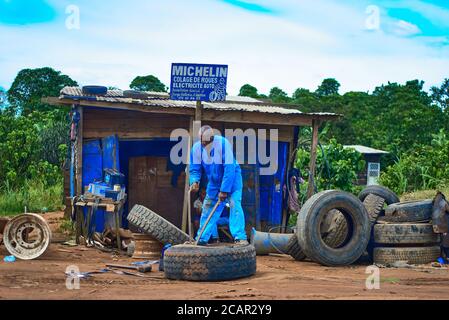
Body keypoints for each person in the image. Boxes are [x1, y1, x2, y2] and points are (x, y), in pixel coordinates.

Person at [189, 125, 248, 246]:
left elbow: (229, 168)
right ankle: (202, 238)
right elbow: (195, 169)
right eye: (203, 142)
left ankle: (240, 237)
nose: (205, 145)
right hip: (214, 183)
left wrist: (224, 190)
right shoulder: (196, 149)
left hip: (232, 179)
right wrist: (195, 181)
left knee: (234, 204)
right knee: (208, 207)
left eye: (208, 142)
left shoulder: (223, 144)